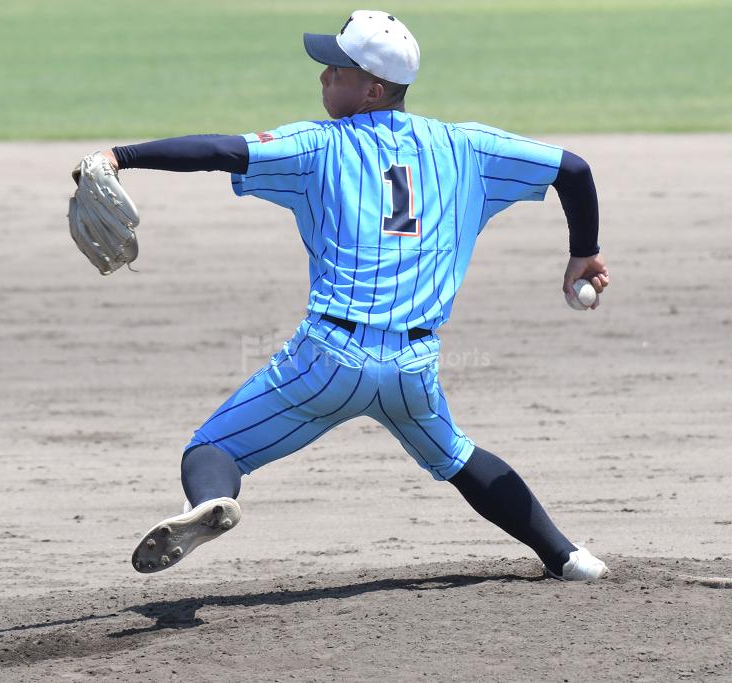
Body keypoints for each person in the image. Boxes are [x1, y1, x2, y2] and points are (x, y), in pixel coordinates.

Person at [101, 10, 610, 580]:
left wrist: (123, 157)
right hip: (413, 370)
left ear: (373, 89)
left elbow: (223, 151)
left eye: (337, 69)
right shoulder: (469, 147)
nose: (323, 75)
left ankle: (209, 503)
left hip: (328, 360)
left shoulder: (318, 146)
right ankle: (569, 557)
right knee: (457, 457)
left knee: (213, 450)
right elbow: (573, 169)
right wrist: (584, 253)